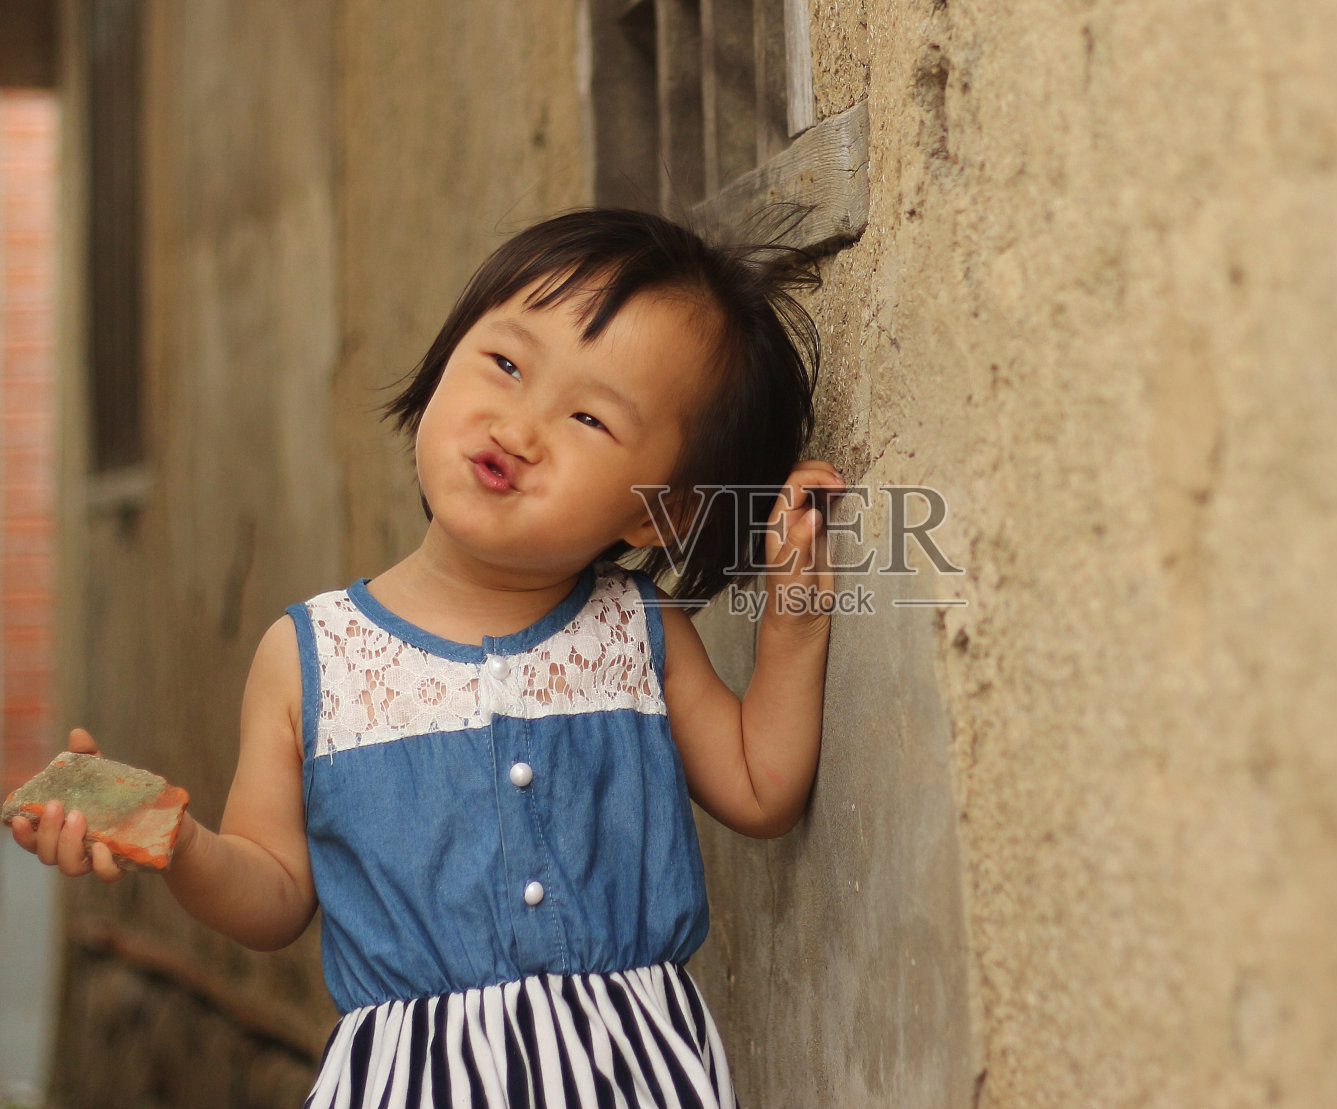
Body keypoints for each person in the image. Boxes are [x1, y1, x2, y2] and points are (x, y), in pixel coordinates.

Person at [12, 208, 844, 1108]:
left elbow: (763, 787)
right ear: (448, 355)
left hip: (629, 1072)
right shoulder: (312, 656)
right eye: (507, 364)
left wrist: (793, 612)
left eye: (591, 418)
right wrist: (173, 841)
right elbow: (276, 894)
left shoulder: (638, 633)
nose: (520, 427)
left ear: (657, 512)